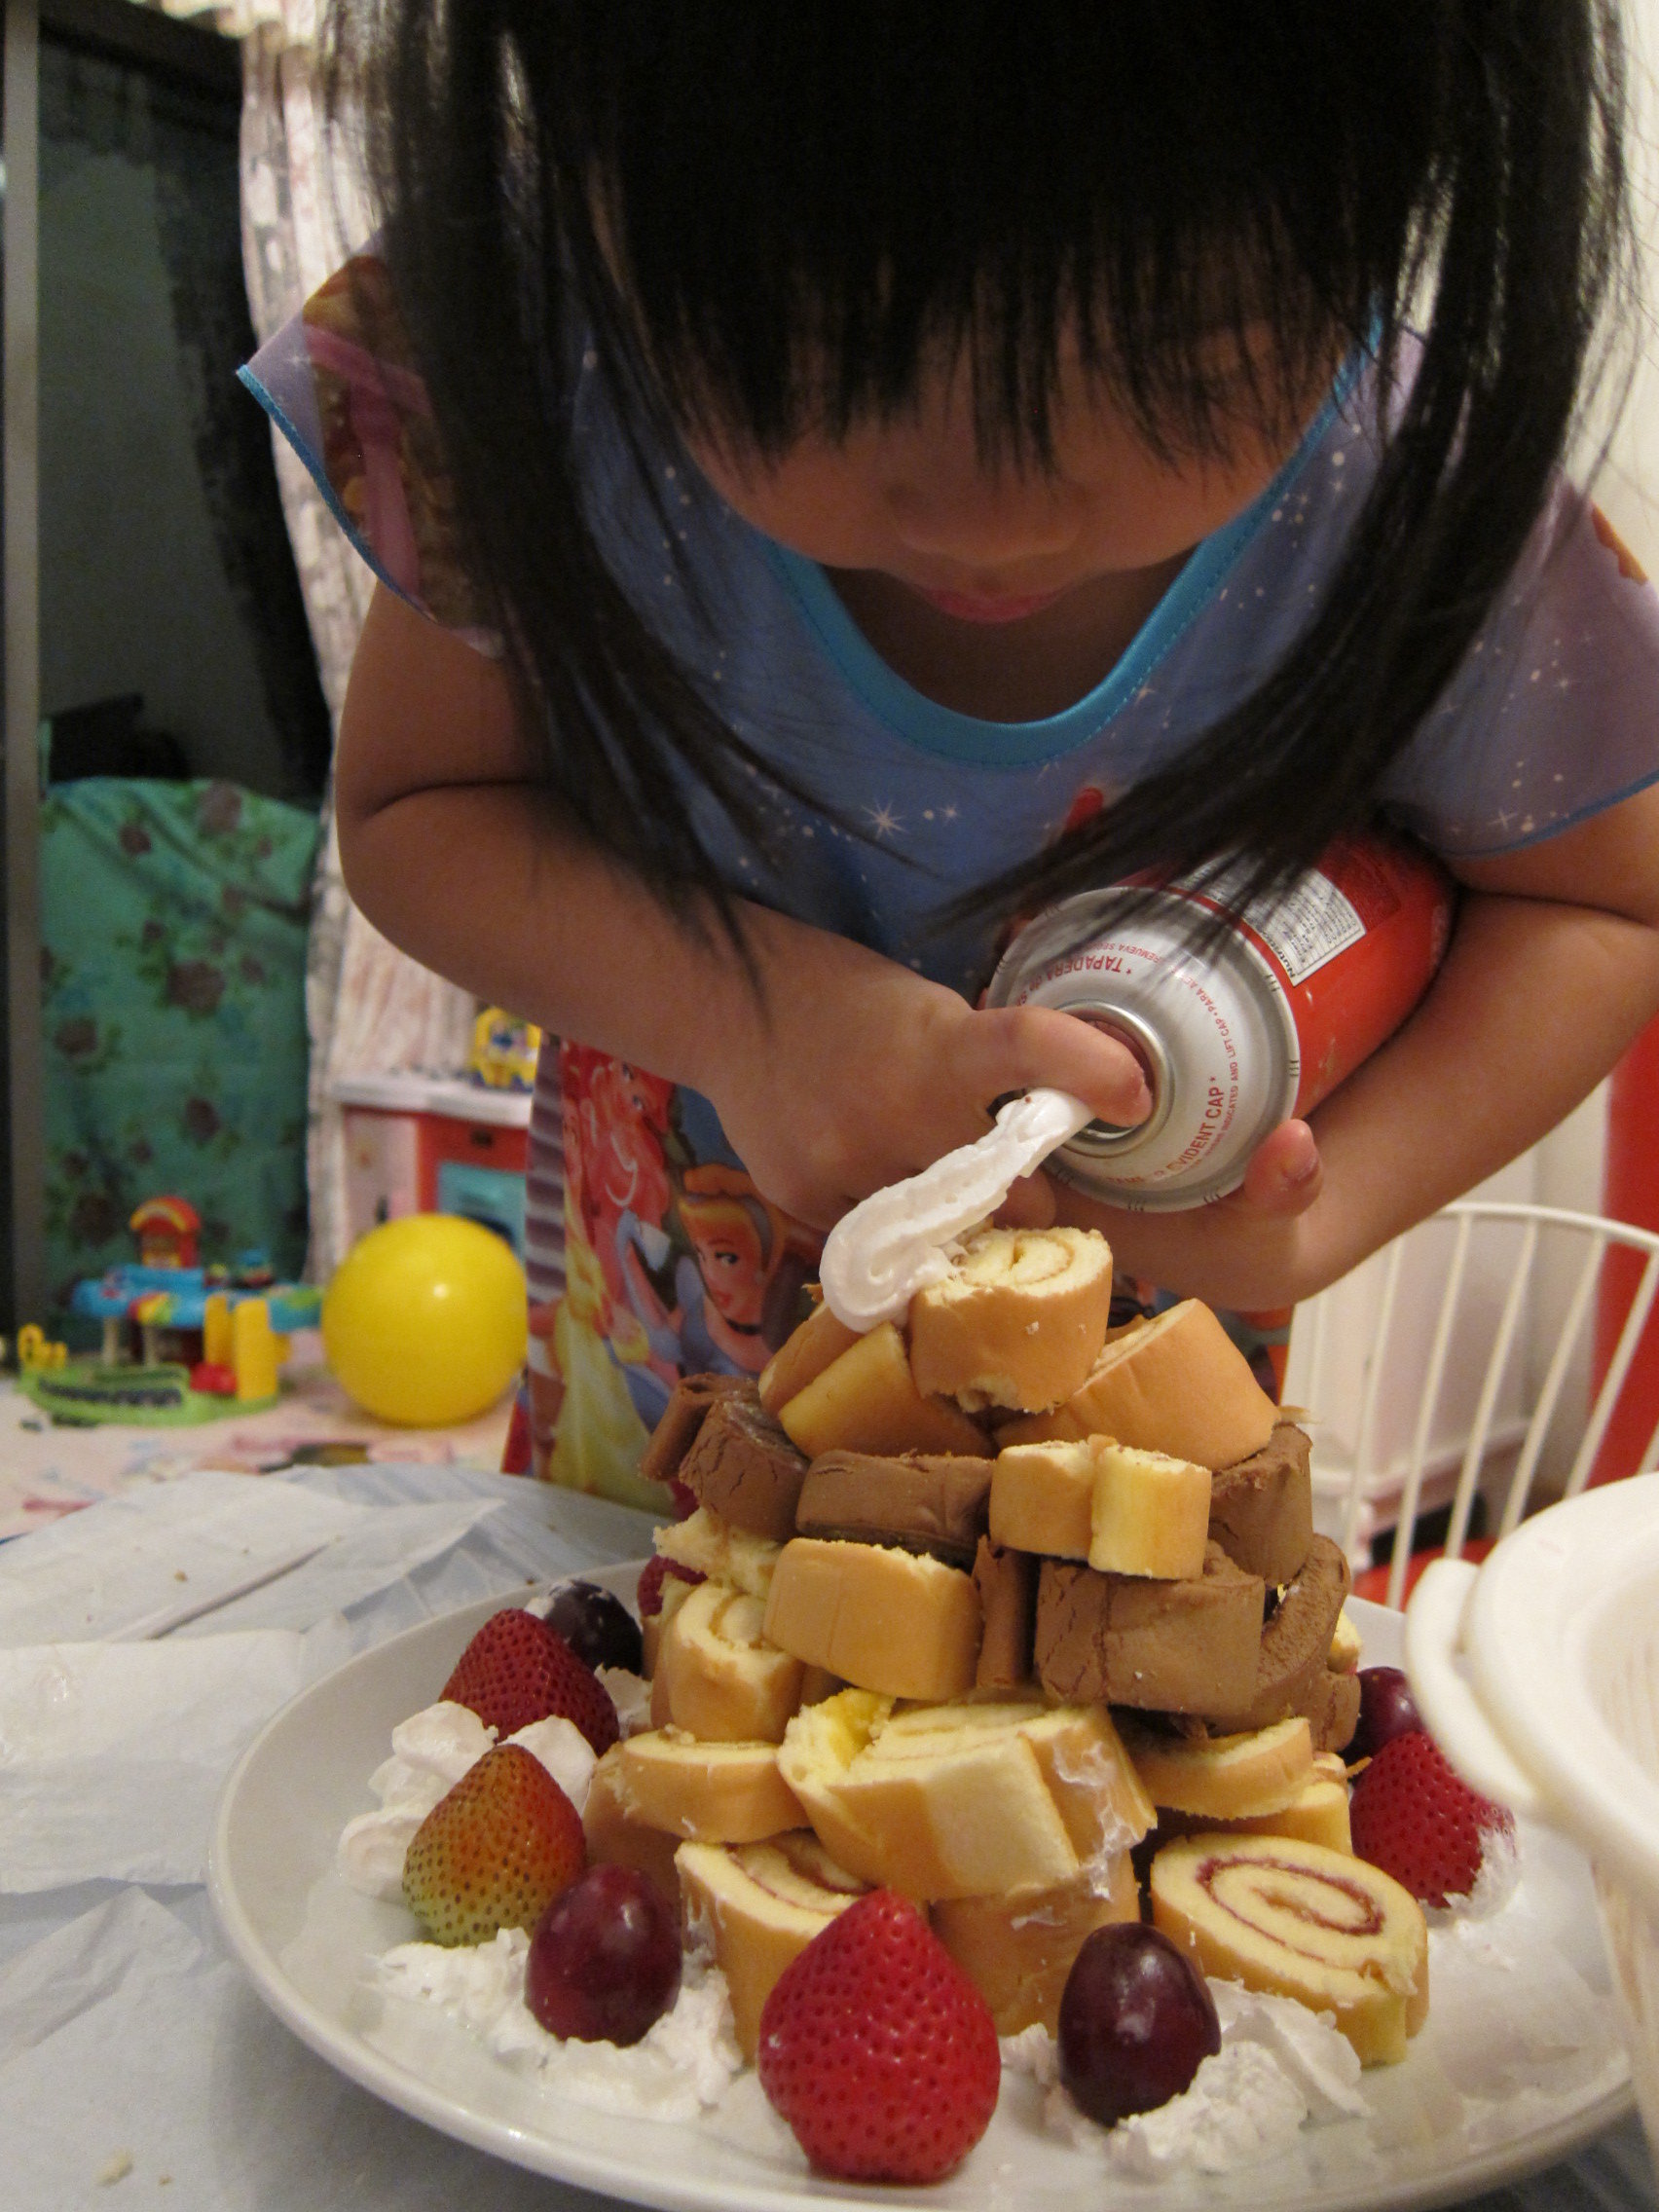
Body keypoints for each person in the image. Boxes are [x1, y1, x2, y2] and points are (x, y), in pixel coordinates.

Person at [247, 3, 1659, 1498]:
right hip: (655, 1409)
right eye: (803, 339)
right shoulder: (523, 356)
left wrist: (1326, 1214)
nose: (996, 522)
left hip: (1108, 1467)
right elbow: (422, 809)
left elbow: (1597, 902)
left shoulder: (1420, 497)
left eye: (1179, 346)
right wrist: (745, 1016)